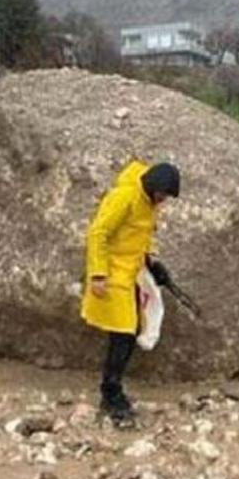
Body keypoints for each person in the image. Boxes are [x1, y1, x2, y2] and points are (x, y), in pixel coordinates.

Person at [81, 160, 180, 426]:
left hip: (130, 273)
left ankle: (113, 389)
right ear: (152, 186)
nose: (163, 201)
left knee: (129, 330)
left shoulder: (149, 204)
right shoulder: (125, 196)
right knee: (124, 332)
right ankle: (111, 392)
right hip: (113, 274)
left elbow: (142, 236)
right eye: (162, 195)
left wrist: (153, 262)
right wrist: (98, 274)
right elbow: (98, 233)